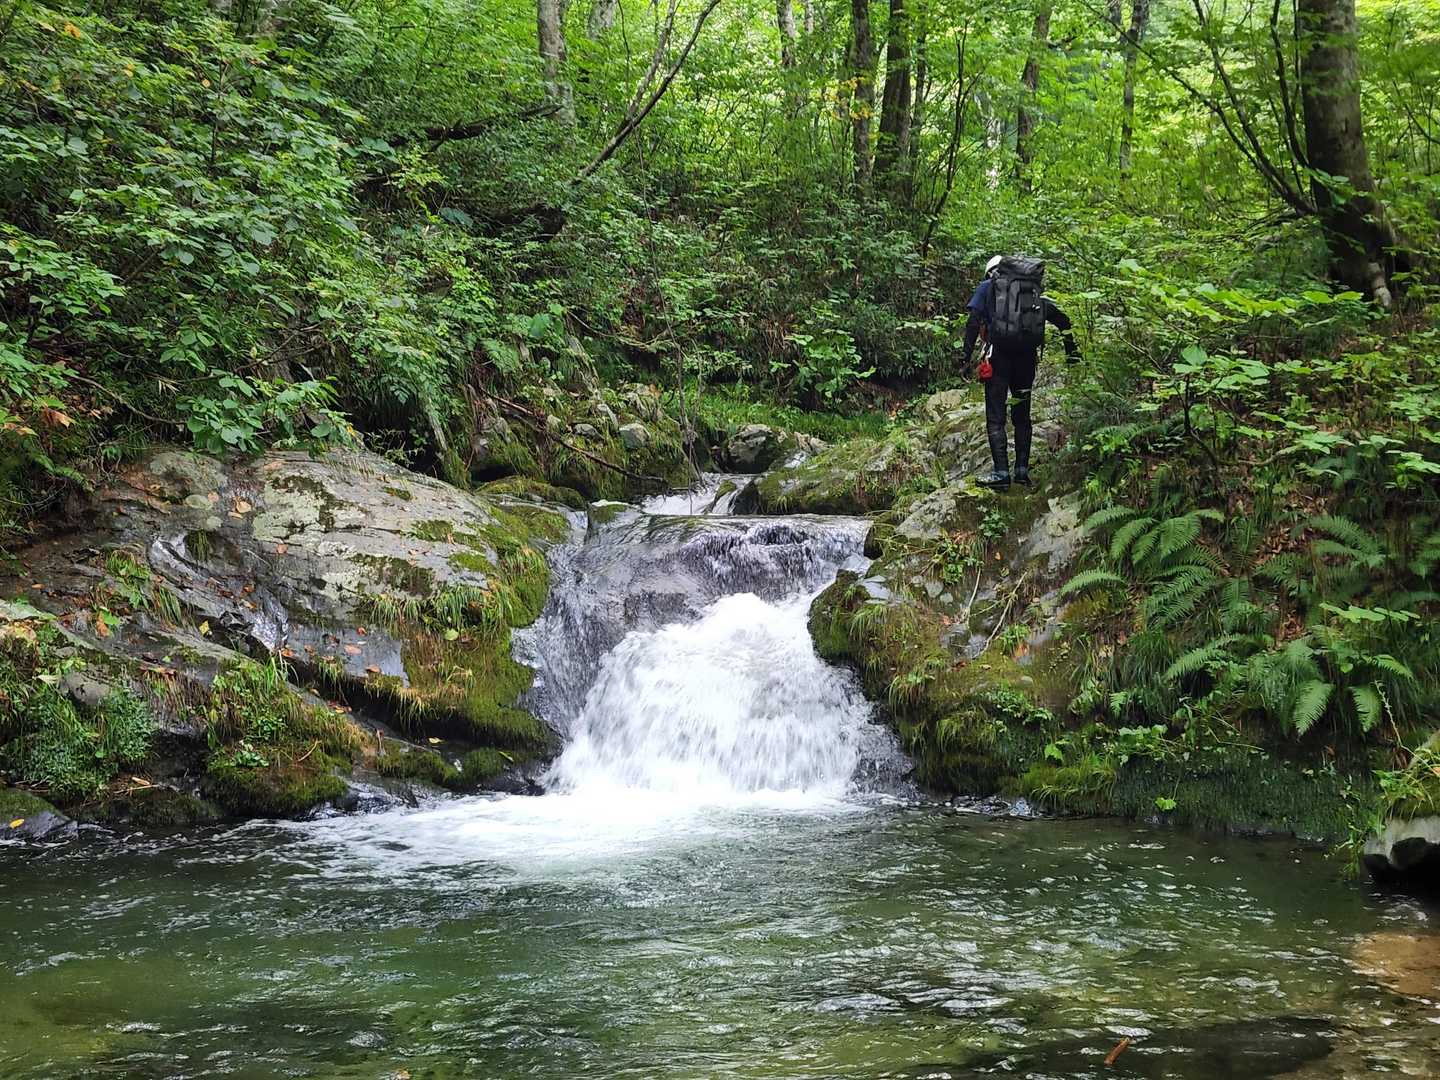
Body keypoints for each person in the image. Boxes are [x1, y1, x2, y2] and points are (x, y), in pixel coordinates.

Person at [960, 255, 1079, 489]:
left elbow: (973, 321)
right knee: (1022, 416)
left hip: (998, 358)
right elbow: (1063, 320)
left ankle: (1001, 473)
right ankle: (1022, 471)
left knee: (996, 417)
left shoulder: (988, 287)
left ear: (991, 272)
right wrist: (1071, 352)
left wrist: (965, 357)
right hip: (1026, 360)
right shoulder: (1032, 292)